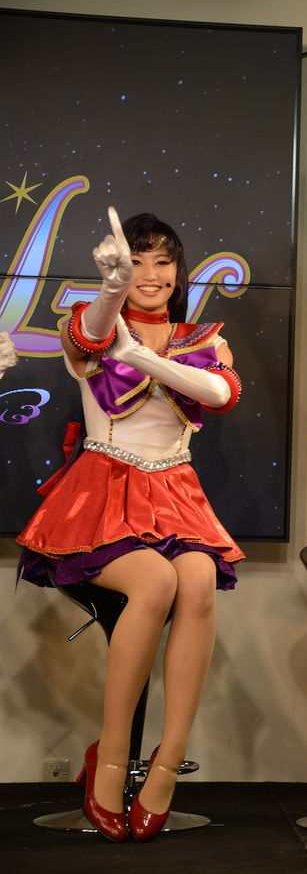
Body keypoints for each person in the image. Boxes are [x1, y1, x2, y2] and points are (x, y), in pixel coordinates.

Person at [17, 208, 244, 842]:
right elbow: (91, 337)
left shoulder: (205, 339)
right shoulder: (92, 324)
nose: (149, 273)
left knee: (197, 582)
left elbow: (222, 394)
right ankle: (111, 759)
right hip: (102, 492)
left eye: (161, 261)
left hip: (176, 493)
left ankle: (167, 765)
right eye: (135, 261)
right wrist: (111, 289)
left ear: (179, 271)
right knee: (156, 583)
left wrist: (141, 357)